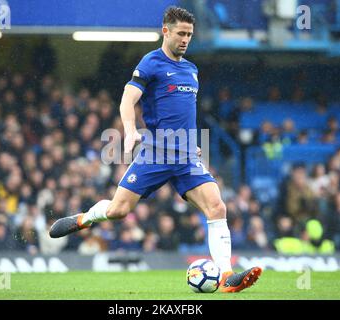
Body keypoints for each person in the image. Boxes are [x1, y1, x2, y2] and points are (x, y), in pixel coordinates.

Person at [49, 6, 262, 293]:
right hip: (156, 153)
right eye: (181, 33)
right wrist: (130, 130)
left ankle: (226, 276)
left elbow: (184, 112)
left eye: (189, 34)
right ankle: (85, 218)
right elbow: (127, 99)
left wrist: (192, 142)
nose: (185, 39)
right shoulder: (150, 63)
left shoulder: (191, 70)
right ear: (166, 31)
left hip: (185, 156)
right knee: (118, 211)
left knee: (217, 206)